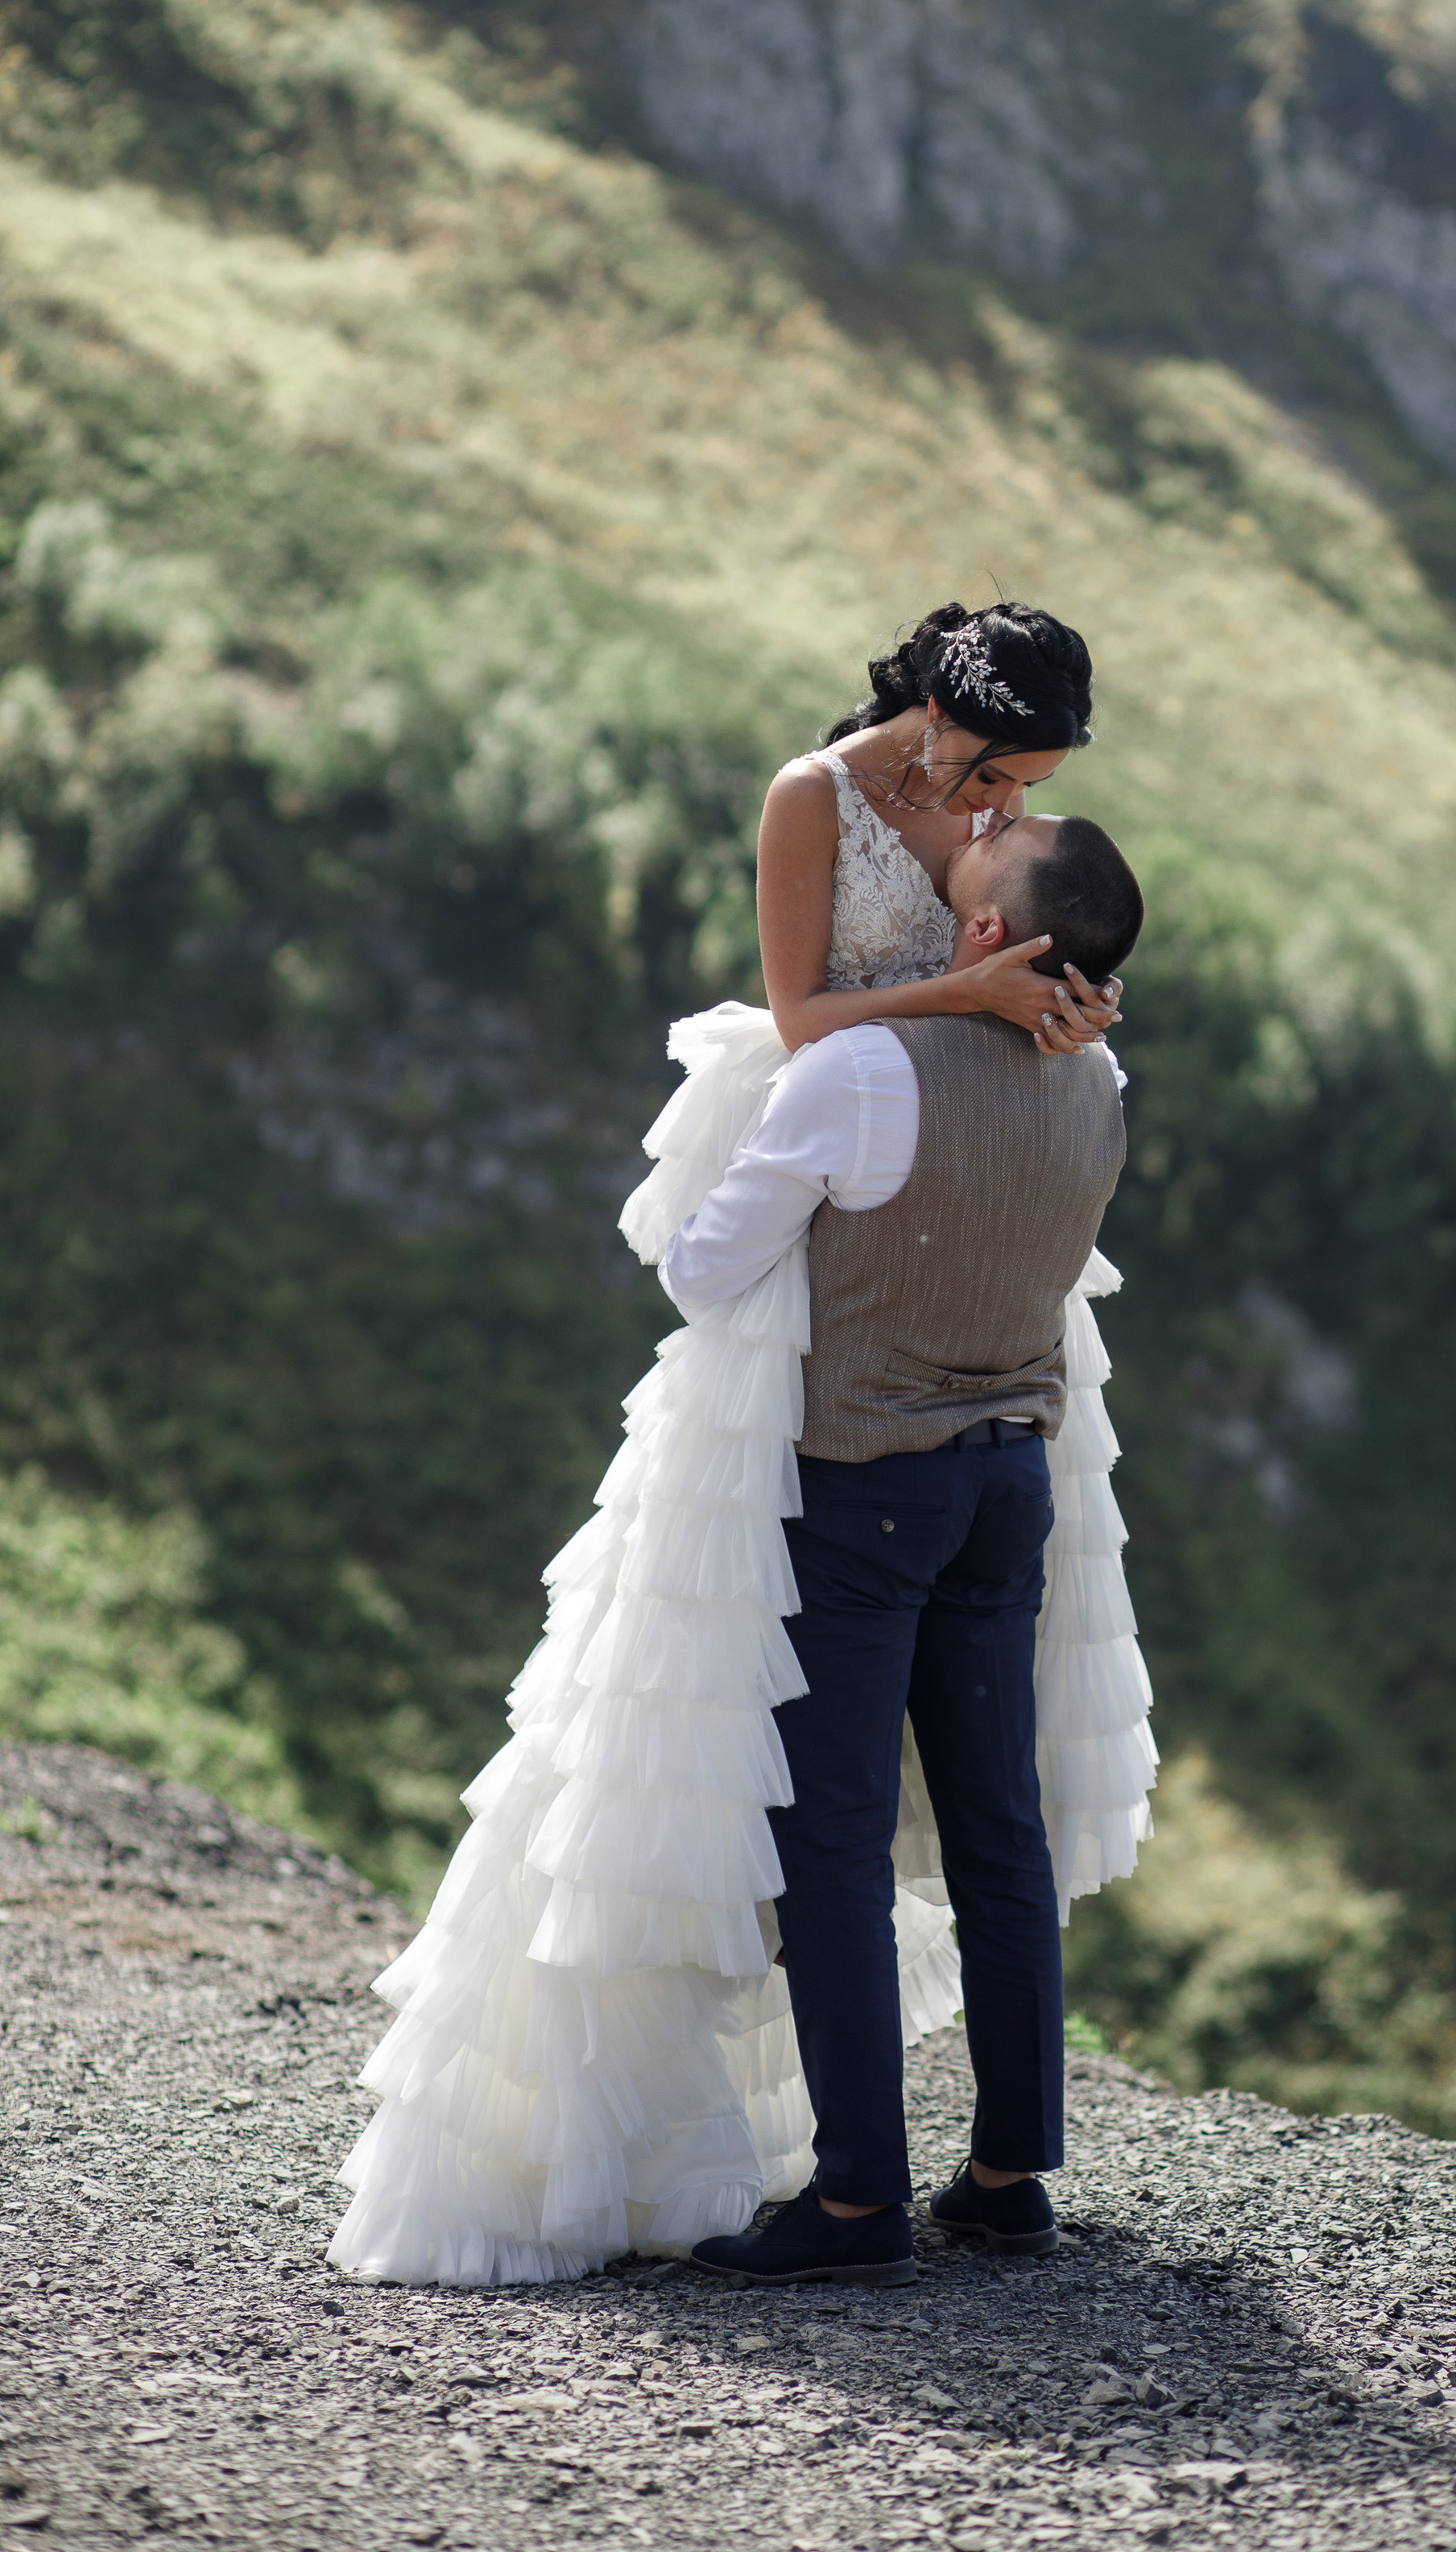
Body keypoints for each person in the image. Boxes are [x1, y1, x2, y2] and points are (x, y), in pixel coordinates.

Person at [327, 605, 1156, 2286]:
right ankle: (995, 2169)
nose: (997, 807)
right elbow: (802, 1013)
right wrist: (988, 992)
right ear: (931, 716)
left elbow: (975, 984)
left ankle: (859, 2190)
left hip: (905, 1227)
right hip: (883, 1180)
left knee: (841, 1806)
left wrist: (1039, 997)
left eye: (1028, 787)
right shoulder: (816, 797)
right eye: (991, 768)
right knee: (955, 1788)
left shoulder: (999, 848)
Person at [676, 806, 1146, 2283]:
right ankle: (1008, 2175)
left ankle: (857, 2200)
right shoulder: (1100, 1083)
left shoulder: (868, 1069)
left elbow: (702, 1269)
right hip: (1013, 1478)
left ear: (990, 933)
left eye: (992, 855)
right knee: (999, 1824)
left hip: (870, 1482)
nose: (973, 837)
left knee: (835, 1837)